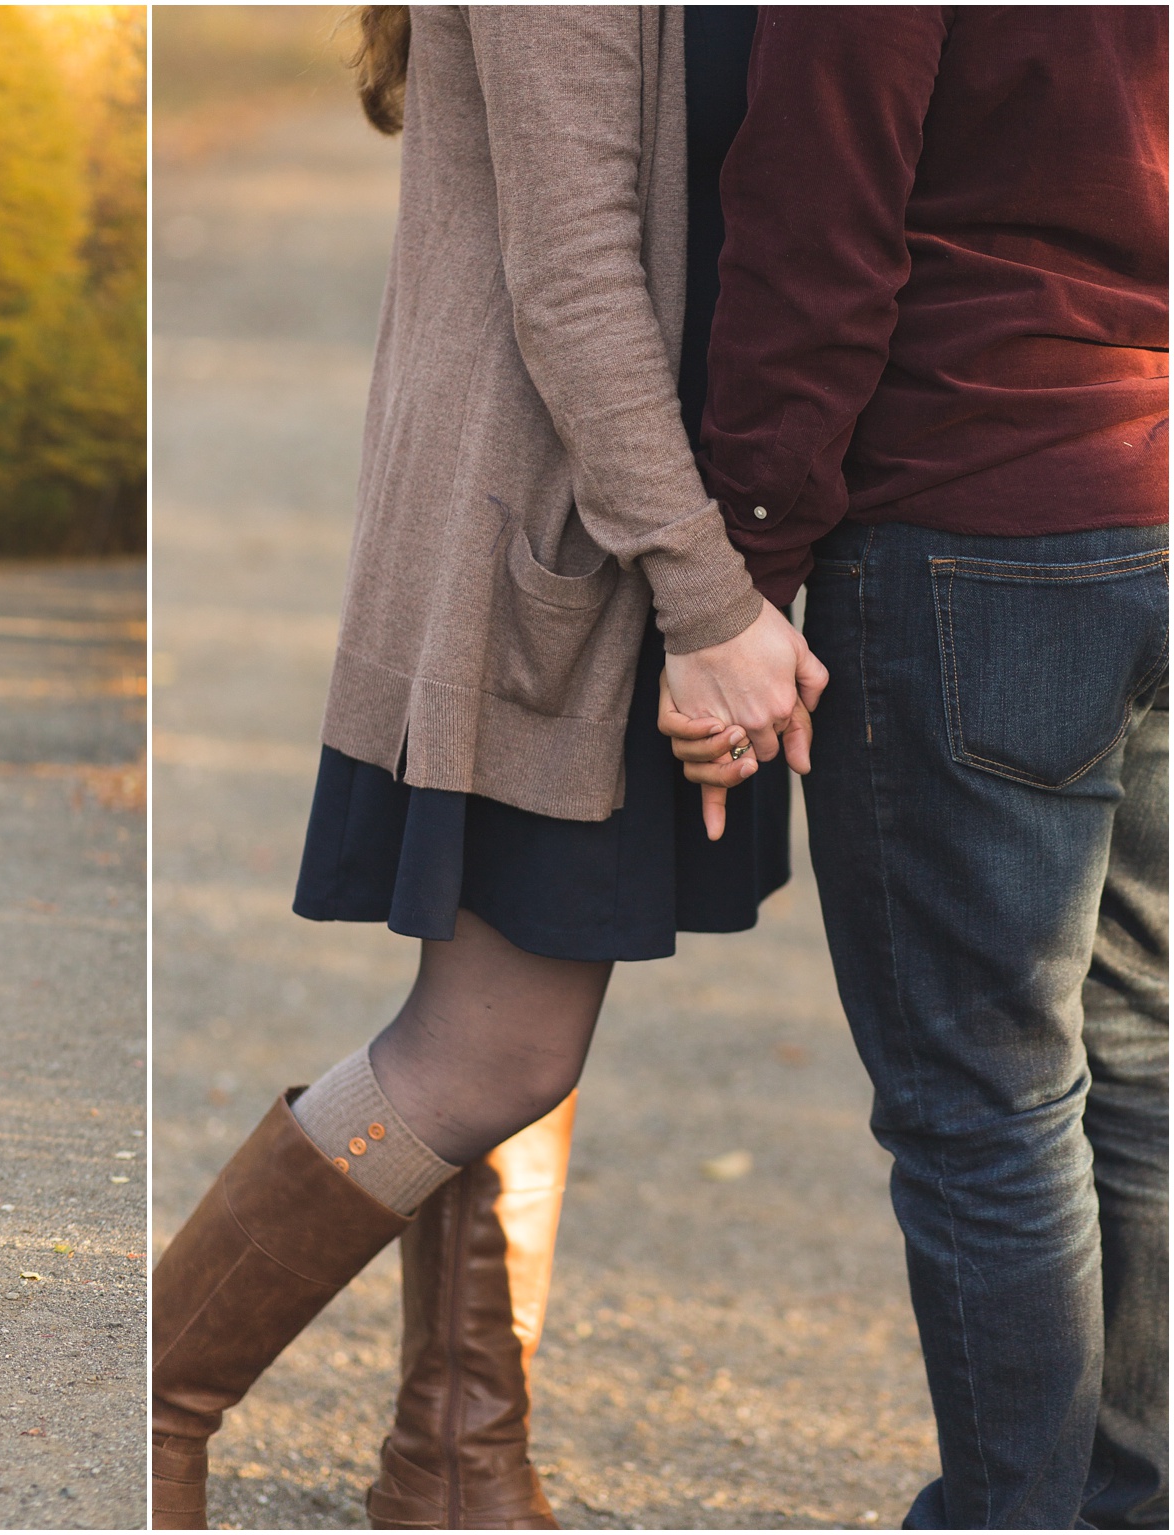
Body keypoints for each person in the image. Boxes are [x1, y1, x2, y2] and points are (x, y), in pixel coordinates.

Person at [151, 8, 822, 1529]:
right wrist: (710, 598)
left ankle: (455, 1456)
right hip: (558, 540)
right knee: (498, 1044)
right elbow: (576, 278)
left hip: (647, 527)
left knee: (524, 991)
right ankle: (154, 1394)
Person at [666, 10, 1169, 1528]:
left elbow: (818, 226)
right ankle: (1126, 1502)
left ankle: (1016, 1514)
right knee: (1137, 1046)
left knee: (986, 1090)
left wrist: (746, 563)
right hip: (1148, 491)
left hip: (973, 518)